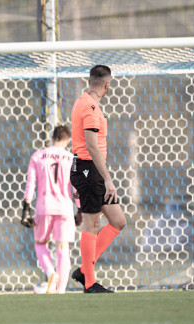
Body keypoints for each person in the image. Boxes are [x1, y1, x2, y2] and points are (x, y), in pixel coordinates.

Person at [69, 65, 127, 293]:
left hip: (89, 169)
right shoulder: (91, 107)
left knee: (118, 220)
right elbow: (91, 147)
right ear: (107, 84)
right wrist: (108, 179)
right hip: (88, 169)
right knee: (92, 224)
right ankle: (90, 283)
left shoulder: (82, 101)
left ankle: (84, 269)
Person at [21, 125, 82, 294]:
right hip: (64, 208)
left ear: (52, 137)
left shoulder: (38, 156)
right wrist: (79, 209)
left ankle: (50, 273)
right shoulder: (71, 158)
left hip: (44, 207)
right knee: (63, 249)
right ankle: (60, 290)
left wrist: (26, 207)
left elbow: (31, 184)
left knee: (40, 243)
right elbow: (76, 188)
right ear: (67, 140)